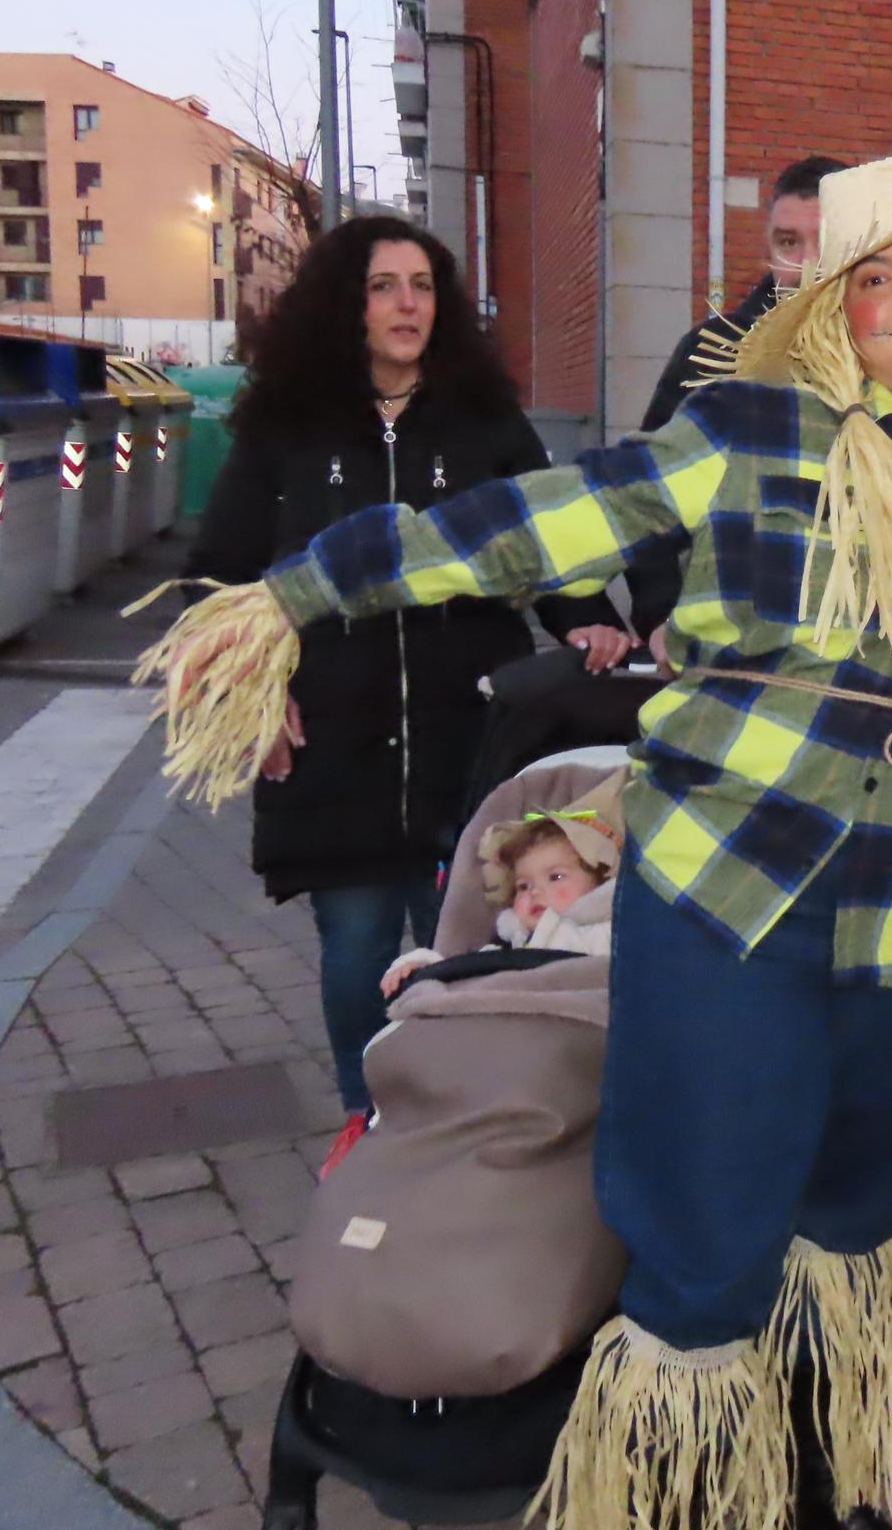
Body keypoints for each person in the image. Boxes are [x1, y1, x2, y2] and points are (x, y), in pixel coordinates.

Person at [135, 150, 892, 1530]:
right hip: (729, 877)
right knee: (707, 1220)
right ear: (837, 316)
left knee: (859, 1204)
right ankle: (693, 1483)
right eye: (873, 277)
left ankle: (818, 1472)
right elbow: (530, 526)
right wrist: (295, 594)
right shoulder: (755, 430)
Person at [184, 215, 630, 1163]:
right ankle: (369, 1117)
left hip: (465, 727)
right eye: (384, 285)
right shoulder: (286, 426)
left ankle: (464, 1122)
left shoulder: (484, 422)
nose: (406, 304)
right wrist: (250, 690)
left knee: (470, 936)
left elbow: (548, 538)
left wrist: (584, 617)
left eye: (422, 285)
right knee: (354, 950)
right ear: (347, 304)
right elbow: (215, 576)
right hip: (332, 740)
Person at [627, 155, 849, 643]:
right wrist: (660, 613)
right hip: (720, 645)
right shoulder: (710, 355)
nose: (807, 265)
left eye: (826, 242)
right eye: (789, 242)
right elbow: (644, 497)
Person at [379, 792, 624, 997]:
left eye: (555, 877)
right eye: (523, 886)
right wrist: (420, 965)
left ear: (601, 881)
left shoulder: (610, 935)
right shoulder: (514, 945)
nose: (535, 892)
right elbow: (466, 969)